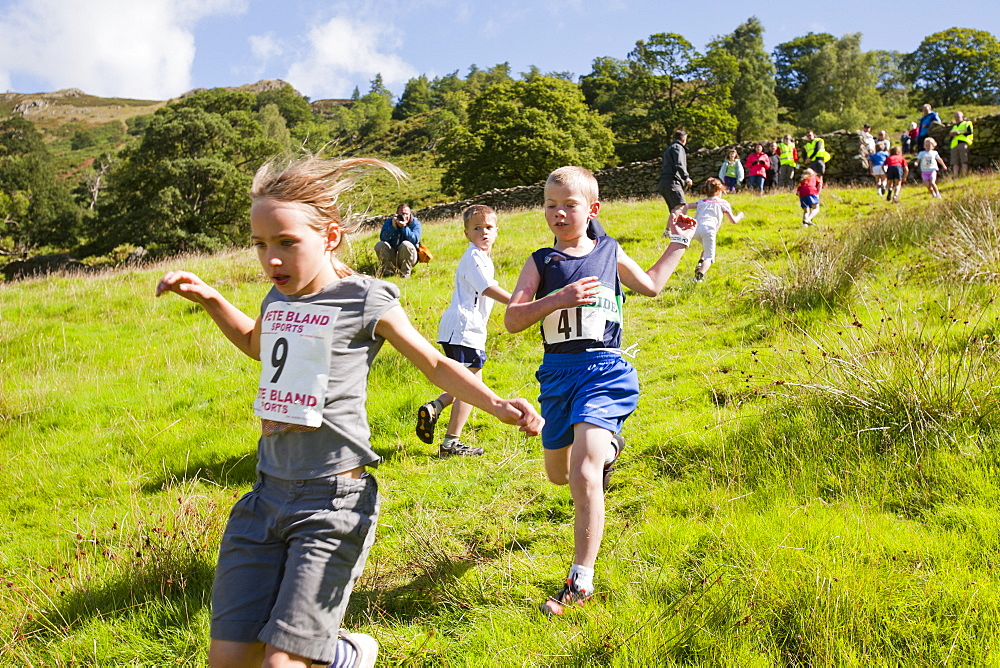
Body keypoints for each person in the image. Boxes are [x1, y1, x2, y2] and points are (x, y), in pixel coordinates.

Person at [155, 155, 543, 668]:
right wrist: (209, 298)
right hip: (265, 494)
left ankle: (343, 653)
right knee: (229, 661)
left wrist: (496, 404)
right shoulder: (277, 299)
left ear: (330, 237)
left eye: (286, 243)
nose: (271, 259)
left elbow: (432, 360)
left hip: (331, 500)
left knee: (281, 664)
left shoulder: (366, 298)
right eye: (261, 245)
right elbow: (255, 343)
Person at [504, 165, 696, 616]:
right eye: (551, 205)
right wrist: (557, 299)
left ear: (592, 210)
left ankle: (580, 581)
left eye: (569, 205)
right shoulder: (540, 262)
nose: (559, 213)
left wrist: (678, 244)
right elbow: (513, 320)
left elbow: (650, 286)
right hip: (556, 374)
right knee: (560, 475)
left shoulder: (609, 251)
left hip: (605, 369)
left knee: (584, 473)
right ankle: (610, 449)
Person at [416, 204, 512, 457]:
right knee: (469, 387)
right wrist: (520, 302)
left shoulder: (482, 257)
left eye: (489, 228)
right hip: (463, 328)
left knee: (470, 386)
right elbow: (487, 288)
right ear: (467, 233)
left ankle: (446, 431)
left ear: (497, 231)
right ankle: (445, 431)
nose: (484, 232)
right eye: (477, 228)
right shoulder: (473, 257)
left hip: (467, 329)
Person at [683, 177, 744, 282]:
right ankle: (698, 277)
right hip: (709, 230)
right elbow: (733, 220)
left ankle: (700, 262)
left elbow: (687, 206)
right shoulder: (723, 203)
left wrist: (680, 215)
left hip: (696, 230)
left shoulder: (701, 202)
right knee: (709, 257)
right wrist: (740, 215)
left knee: (706, 247)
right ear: (719, 190)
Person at [658, 129, 693, 228]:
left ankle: (675, 230)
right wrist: (686, 177)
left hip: (664, 181)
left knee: (675, 208)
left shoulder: (669, 148)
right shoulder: (678, 148)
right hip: (672, 181)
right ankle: (669, 232)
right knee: (680, 206)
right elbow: (679, 164)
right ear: (684, 139)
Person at [374, 204, 421, 278]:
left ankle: (405, 274)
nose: (404, 216)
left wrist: (404, 228)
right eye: (402, 214)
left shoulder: (415, 223)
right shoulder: (389, 222)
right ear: (397, 215)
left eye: (406, 214)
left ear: (410, 214)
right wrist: (393, 227)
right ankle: (388, 272)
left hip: (410, 257)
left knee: (406, 244)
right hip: (393, 255)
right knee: (380, 245)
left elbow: (414, 240)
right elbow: (383, 238)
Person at [949, 111, 974, 178]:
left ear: (962, 117)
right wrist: (951, 134)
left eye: (958, 116)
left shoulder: (967, 123)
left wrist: (959, 133)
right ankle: (955, 176)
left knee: (964, 160)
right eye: (955, 117)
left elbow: (969, 132)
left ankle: (964, 175)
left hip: (963, 143)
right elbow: (951, 137)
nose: (956, 118)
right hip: (954, 145)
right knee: (954, 162)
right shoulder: (954, 126)